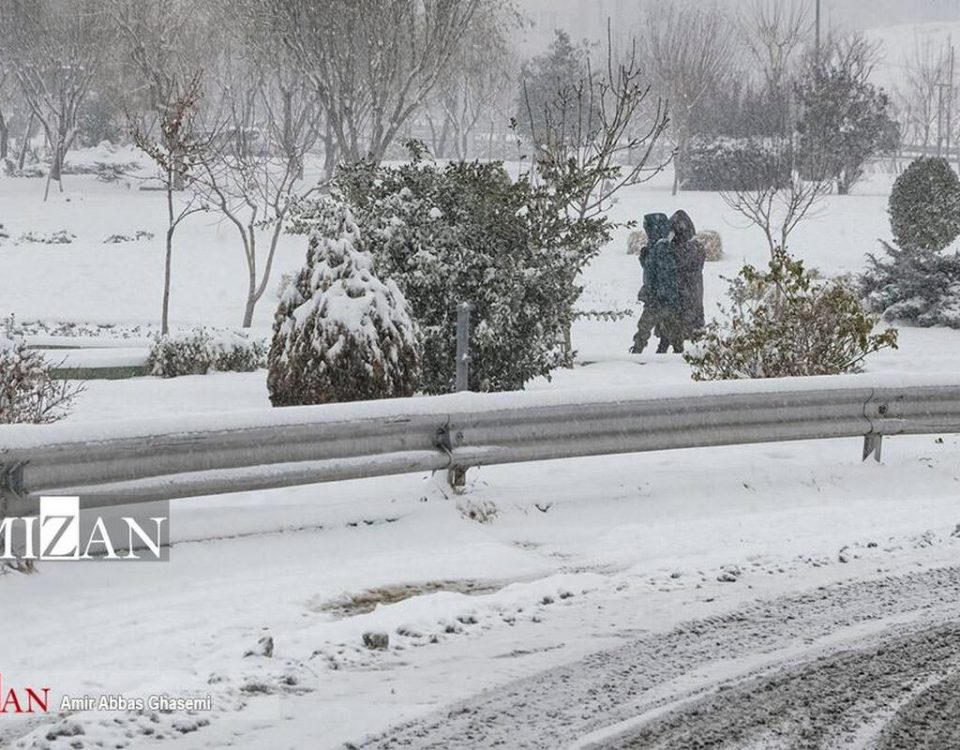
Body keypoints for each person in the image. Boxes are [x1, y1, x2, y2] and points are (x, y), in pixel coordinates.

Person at [631, 213, 682, 354]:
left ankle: (636, 355)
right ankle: (677, 354)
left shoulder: (661, 248)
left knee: (645, 328)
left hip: (659, 300)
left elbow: (664, 275)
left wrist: (657, 294)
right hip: (664, 299)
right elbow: (653, 271)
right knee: (672, 329)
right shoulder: (658, 247)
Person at [671, 209, 706, 343]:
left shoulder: (682, 250)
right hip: (694, 291)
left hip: (685, 292)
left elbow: (678, 262)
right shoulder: (697, 248)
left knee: (683, 321)